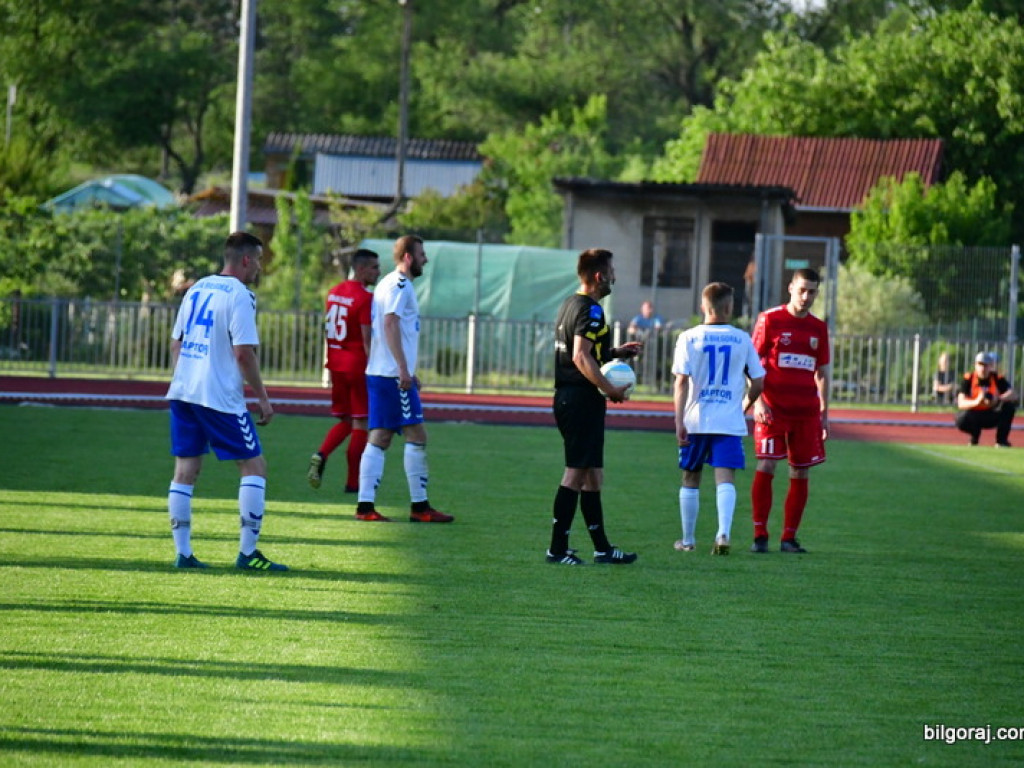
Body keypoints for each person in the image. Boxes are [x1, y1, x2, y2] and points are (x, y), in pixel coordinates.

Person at [165, 232, 287, 571]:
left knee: (185, 470)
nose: (260, 268)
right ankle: (248, 554)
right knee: (254, 466)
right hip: (218, 396)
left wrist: (188, 376)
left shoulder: (198, 288)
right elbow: (243, 353)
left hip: (184, 391)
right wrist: (263, 398)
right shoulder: (240, 295)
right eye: (259, 260)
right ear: (246, 260)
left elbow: (176, 344)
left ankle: (183, 554)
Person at [547, 248, 643, 565]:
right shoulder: (592, 310)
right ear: (600, 276)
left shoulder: (568, 304)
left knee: (593, 476)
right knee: (575, 474)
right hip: (580, 399)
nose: (614, 276)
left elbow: (586, 351)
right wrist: (611, 389)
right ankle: (556, 550)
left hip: (571, 397)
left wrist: (616, 352)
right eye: (612, 271)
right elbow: (579, 357)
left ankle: (602, 549)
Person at [355, 235, 453, 523]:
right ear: (408, 257)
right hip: (391, 375)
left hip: (383, 372)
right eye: (422, 254)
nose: (425, 259)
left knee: (382, 436)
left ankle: (367, 506)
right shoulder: (399, 284)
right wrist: (402, 369)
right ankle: (418, 508)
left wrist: (407, 368)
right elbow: (390, 322)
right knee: (414, 435)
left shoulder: (386, 282)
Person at [672, 282, 765, 555]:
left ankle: (688, 540)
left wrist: (679, 421)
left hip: (696, 420)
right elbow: (758, 382)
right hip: (728, 420)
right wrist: (744, 405)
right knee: (725, 479)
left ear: (703, 306)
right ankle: (722, 533)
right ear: (729, 307)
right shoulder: (741, 338)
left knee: (690, 477)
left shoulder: (688, 337)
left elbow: (681, 382)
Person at [749, 268, 830, 555]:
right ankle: (760, 535)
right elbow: (751, 362)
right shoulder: (770, 319)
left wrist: (824, 413)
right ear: (790, 288)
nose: (807, 296)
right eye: (802, 290)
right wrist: (758, 401)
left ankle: (788, 538)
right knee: (767, 464)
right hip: (773, 409)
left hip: (805, 412)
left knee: (800, 470)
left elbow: (821, 373)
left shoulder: (818, 328)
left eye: (813, 291)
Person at [307, 249, 381, 493]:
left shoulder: (334, 292)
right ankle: (352, 483)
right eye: (373, 268)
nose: (378, 272)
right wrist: (377, 368)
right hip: (357, 365)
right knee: (361, 423)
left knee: (346, 420)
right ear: (360, 269)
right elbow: (366, 339)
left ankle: (321, 453)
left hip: (336, 365)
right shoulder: (365, 297)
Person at [955, 352, 1017, 447]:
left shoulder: (997, 378)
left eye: (986, 365)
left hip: (990, 414)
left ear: (991, 366)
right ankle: (974, 437)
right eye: (980, 365)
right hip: (973, 414)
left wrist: (998, 399)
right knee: (961, 419)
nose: (983, 368)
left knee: (1009, 407)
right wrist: (977, 401)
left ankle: (1001, 441)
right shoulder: (969, 379)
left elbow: (1013, 394)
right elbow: (961, 403)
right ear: (975, 365)